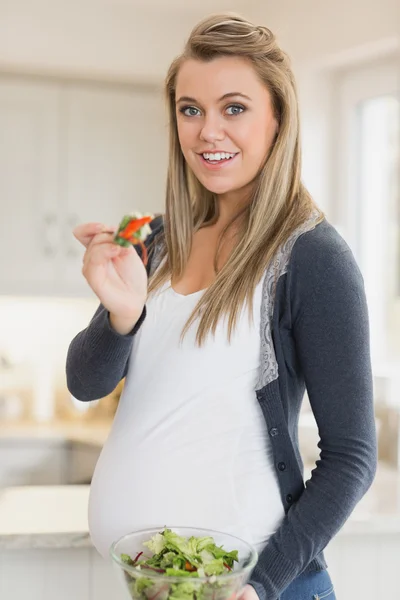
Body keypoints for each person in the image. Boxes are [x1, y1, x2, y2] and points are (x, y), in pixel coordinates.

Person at [66, 13, 377, 600]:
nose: (208, 131)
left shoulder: (312, 258)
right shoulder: (157, 242)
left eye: (234, 108)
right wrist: (121, 315)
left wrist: (259, 585)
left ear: (277, 118)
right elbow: (85, 383)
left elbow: (352, 459)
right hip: (159, 585)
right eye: (191, 109)